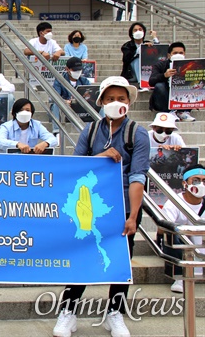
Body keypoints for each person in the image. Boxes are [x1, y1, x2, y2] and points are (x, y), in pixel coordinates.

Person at [53, 76, 149, 337]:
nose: (115, 103)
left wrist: (133, 216)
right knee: (84, 255)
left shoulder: (137, 133)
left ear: (128, 102)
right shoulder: (91, 131)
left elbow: (138, 176)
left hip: (122, 208)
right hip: (90, 206)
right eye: (109, 99)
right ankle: (68, 311)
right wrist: (101, 156)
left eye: (120, 98)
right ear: (101, 102)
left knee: (120, 261)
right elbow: (75, 167)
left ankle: (114, 313)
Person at [161, 164, 205, 294]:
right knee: (172, 233)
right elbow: (162, 229)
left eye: (204, 181)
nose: (200, 185)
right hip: (181, 245)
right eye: (196, 180)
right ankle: (180, 276)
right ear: (185, 183)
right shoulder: (174, 202)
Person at [148, 42, 195, 122]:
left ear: (184, 54)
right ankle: (170, 112)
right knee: (159, 86)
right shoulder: (160, 65)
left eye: (181, 53)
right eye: (175, 53)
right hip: (165, 96)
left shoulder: (190, 65)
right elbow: (151, 81)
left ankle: (183, 111)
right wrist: (164, 75)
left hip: (182, 94)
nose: (178, 55)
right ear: (169, 55)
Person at [50, 57, 91, 136]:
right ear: (67, 69)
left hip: (80, 107)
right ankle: (57, 132)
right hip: (65, 107)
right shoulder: (59, 80)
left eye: (79, 70)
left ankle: (102, 129)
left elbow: (90, 95)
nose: (77, 72)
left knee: (100, 108)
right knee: (56, 105)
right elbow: (55, 97)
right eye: (74, 70)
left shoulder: (84, 81)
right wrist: (65, 102)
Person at [120, 21, 159, 86]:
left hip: (147, 70)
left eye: (140, 29)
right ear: (131, 33)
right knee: (138, 59)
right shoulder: (127, 46)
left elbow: (160, 52)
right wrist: (141, 49)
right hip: (132, 73)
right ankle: (142, 83)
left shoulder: (147, 43)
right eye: (135, 30)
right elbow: (126, 59)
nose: (138, 31)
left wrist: (154, 38)